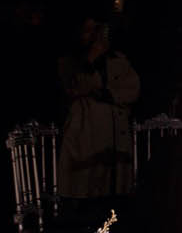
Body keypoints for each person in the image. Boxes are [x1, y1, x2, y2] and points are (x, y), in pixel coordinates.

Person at [57, 14, 140, 198]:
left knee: (113, 195)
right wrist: (91, 61)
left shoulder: (118, 60)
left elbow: (132, 89)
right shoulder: (70, 63)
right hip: (85, 139)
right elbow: (76, 86)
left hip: (114, 142)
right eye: (89, 31)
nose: (95, 36)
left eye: (97, 30)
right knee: (86, 190)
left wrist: (108, 94)